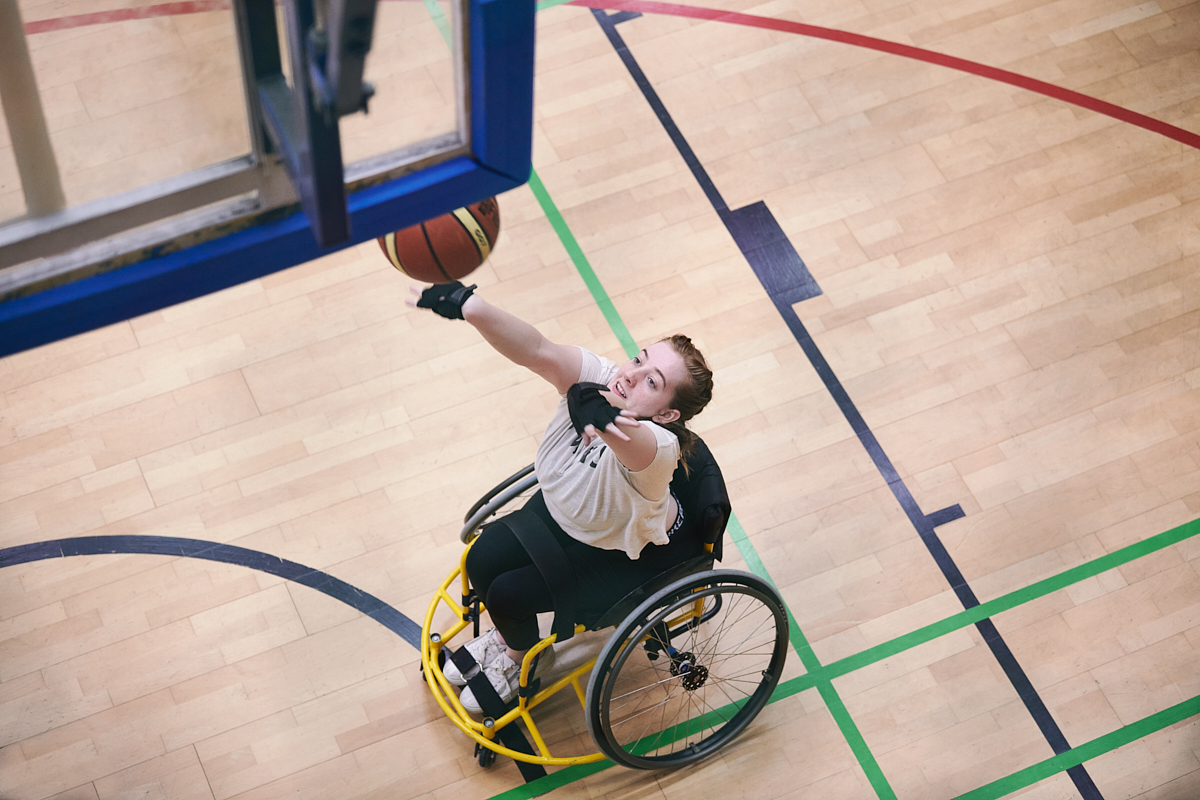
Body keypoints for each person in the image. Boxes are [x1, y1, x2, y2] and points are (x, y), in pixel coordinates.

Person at [409, 281, 714, 712]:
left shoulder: (657, 447)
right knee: (480, 560)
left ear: (666, 414)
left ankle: (521, 659)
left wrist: (602, 415)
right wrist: (468, 305)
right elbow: (536, 348)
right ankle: (504, 638)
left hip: (621, 554)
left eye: (652, 381)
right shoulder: (601, 378)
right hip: (569, 518)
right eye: (638, 359)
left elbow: (629, 439)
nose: (630, 374)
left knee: (507, 597)